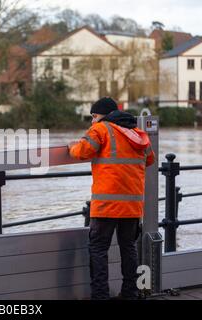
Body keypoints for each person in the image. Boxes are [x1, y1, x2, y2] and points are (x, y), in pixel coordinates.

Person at [68, 97, 155, 300]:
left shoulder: (101, 130)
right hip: (132, 205)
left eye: (94, 116)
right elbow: (150, 159)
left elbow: (81, 152)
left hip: (107, 204)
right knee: (129, 248)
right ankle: (129, 294)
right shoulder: (138, 133)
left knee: (98, 250)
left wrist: (71, 147)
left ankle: (100, 296)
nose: (92, 121)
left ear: (104, 116)